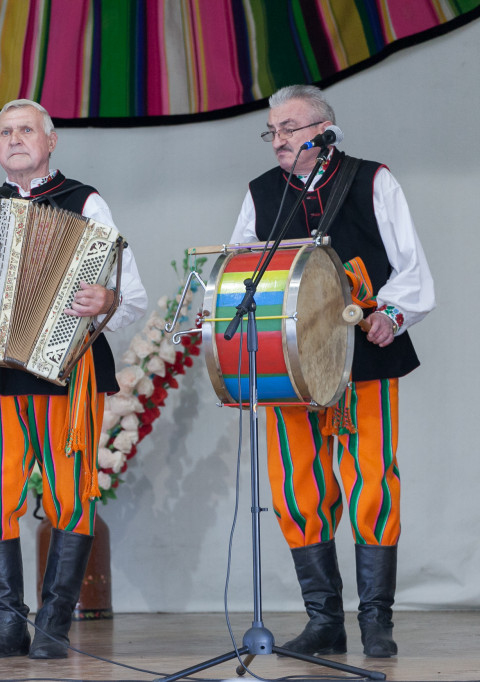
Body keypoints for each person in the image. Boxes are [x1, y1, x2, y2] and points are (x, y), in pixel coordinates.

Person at [0, 99, 147, 660]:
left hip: (68, 376)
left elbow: (130, 295)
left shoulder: (86, 201)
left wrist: (108, 299)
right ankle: (7, 624)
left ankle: (52, 623)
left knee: (72, 495)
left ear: (51, 142)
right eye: (5, 132)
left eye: (26, 130)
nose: (15, 139)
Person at [229, 85, 435, 658]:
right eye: (272, 131)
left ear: (324, 130)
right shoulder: (260, 194)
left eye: (289, 128)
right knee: (299, 487)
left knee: (373, 480)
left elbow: (411, 267)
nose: (279, 141)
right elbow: (240, 267)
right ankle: (324, 619)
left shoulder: (373, 180)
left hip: (365, 351)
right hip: (287, 363)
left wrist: (391, 314)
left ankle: (376, 621)